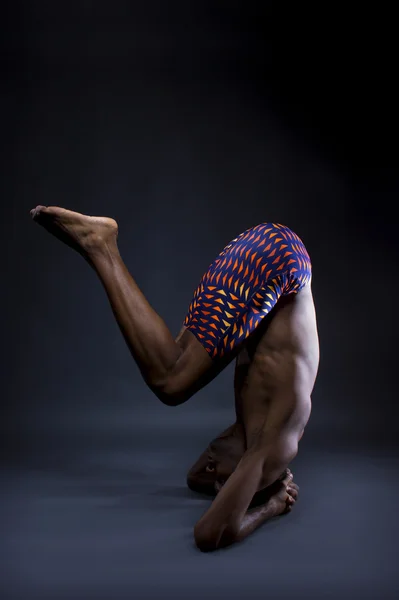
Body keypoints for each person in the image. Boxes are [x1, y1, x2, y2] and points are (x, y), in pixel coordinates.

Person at [30, 205, 319, 552]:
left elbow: (197, 476)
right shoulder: (275, 445)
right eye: (222, 473)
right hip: (276, 261)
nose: (210, 461)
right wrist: (270, 508)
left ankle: (100, 244)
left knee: (177, 362)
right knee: (170, 381)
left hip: (267, 249)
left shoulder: (255, 426)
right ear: (248, 472)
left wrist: (224, 482)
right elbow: (210, 534)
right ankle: (100, 245)